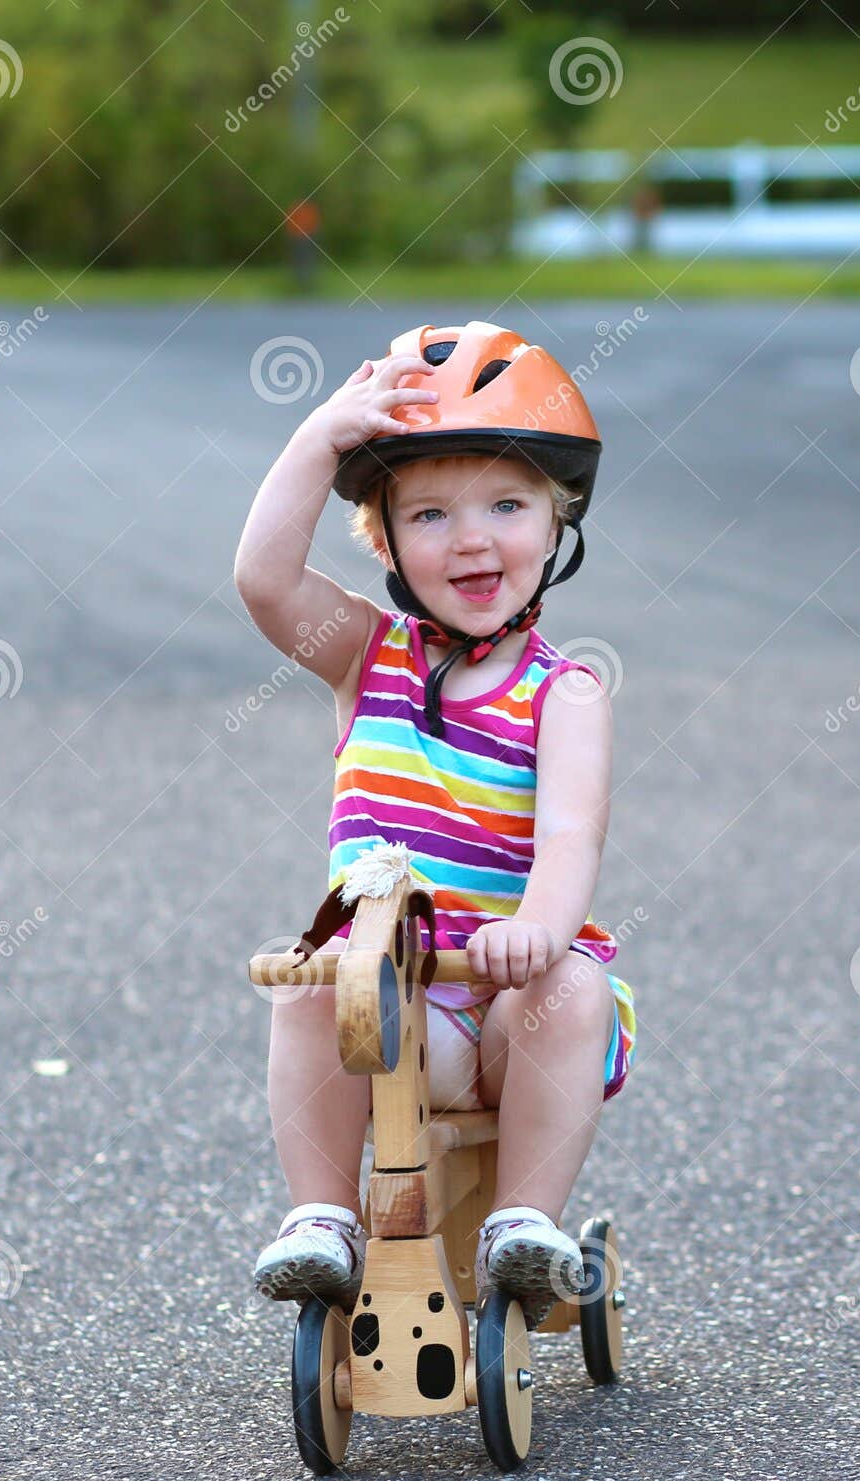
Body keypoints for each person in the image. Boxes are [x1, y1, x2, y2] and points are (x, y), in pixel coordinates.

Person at [233, 320, 637, 1328]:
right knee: (309, 980)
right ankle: (321, 1216)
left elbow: (569, 843)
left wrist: (537, 930)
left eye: (506, 504)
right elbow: (263, 581)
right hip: (389, 999)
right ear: (384, 541)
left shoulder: (565, 696)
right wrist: (319, 438)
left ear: (555, 524)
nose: (470, 537)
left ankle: (523, 1223)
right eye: (428, 513)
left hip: (500, 1005)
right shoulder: (364, 656)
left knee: (573, 984)